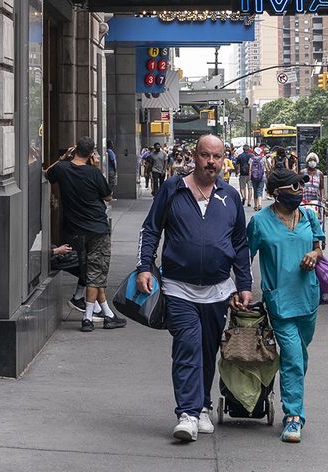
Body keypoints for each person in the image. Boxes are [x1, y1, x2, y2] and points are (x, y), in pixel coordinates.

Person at [138, 134, 253, 443]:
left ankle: (202, 405)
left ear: (224, 158)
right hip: (178, 289)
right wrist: (145, 267)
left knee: (207, 349)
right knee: (188, 346)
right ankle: (187, 413)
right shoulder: (172, 189)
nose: (211, 162)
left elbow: (240, 244)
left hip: (218, 291)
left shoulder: (230, 196)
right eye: (205, 155)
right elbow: (151, 229)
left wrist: (244, 284)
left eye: (216, 156)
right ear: (195, 155)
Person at [248, 168, 326, 444]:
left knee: (300, 357)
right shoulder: (259, 222)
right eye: (293, 187)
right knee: (292, 357)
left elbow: (320, 246)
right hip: (280, 302)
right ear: (276, 192)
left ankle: (292, 393)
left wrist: (314, 254)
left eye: (300, 186)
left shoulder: (309, 216)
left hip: (308, 299)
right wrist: (241, 289)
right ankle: (294, 416)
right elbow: (243, 257)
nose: (299, 191)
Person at [47, 140, 125, 331]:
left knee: (89, 272)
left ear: (74, 151)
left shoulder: (63, 169)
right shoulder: (94, 173)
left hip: (75, 231)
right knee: (96, 274)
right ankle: (88, 318)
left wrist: (63, 158)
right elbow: (108, 195)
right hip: (97, 229)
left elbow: (48, 173)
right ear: (91, 154)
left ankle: (106, 314)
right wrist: (97, 167)